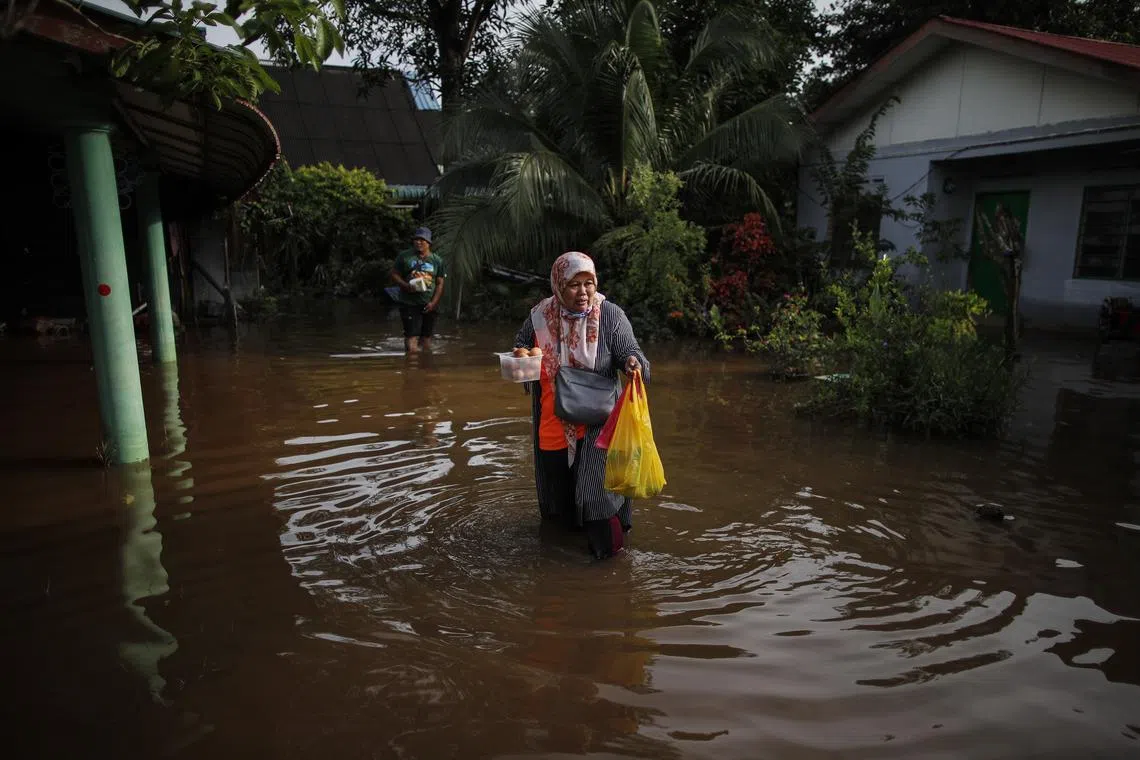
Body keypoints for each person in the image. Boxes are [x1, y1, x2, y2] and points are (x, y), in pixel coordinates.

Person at [514, 251, 650, 560]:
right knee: (558, 502)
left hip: (598, 423)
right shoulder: (540, 316)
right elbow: (521, 346)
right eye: (574, 284)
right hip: (553, 422)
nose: (584, 292)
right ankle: (564, 567)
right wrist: (522, 357)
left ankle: (611, 562)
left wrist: (633, 363)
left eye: (589, 283)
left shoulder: (610, 315)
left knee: (596, 498)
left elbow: (632, 352)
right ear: (559, 285)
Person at [390, 227, 445, 353]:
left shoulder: (437, 260)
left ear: (429, 243)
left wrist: (434, 303)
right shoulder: (404, 256)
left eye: (422, 240)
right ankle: (411, 367)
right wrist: (405, 285)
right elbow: (394, 274)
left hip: (429, 304)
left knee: (426, 338)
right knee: (411, 336)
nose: (418, 242)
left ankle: (424, 366)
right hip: (409, 303)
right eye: (416, 239)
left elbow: (440, 283)